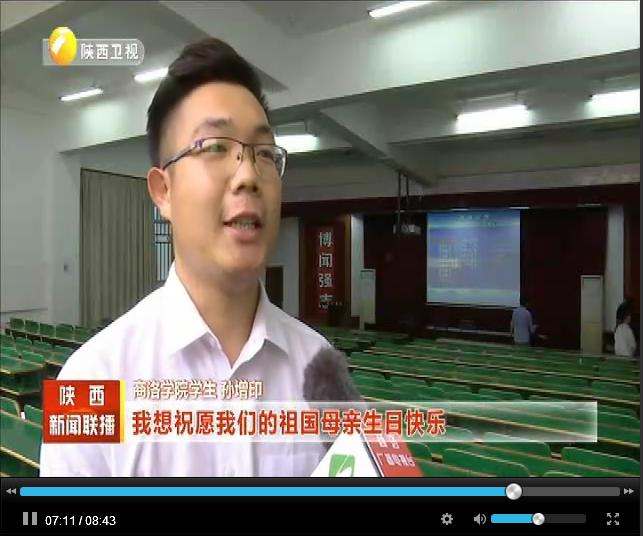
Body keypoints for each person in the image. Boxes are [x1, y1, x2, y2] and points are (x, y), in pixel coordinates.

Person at [39, 38, 335, 477]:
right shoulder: (89, 379)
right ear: (163, 191)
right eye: (215, 147)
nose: (248, 175)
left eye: (264, 153)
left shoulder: (321, 365)